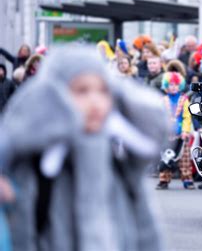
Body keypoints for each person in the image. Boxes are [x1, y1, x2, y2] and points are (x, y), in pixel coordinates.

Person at [0, 45, 169, 251]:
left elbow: (145, 232)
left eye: (103, 90)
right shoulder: (34, 167)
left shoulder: (118, 162)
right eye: (81, 91)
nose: (95, 101)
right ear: (53, 96)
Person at [156, 72, 194, 190]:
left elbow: (187, 117)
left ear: (180, 86)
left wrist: (185, 131)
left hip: (181, 134)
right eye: (170, 85)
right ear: (166, 86)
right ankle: (164, 180)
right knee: (165, 158)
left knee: (184, 158)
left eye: (175, 85)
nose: (173, 87)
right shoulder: (163, 100)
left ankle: (187, 179)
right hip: (167, 135)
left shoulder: (184, 99)